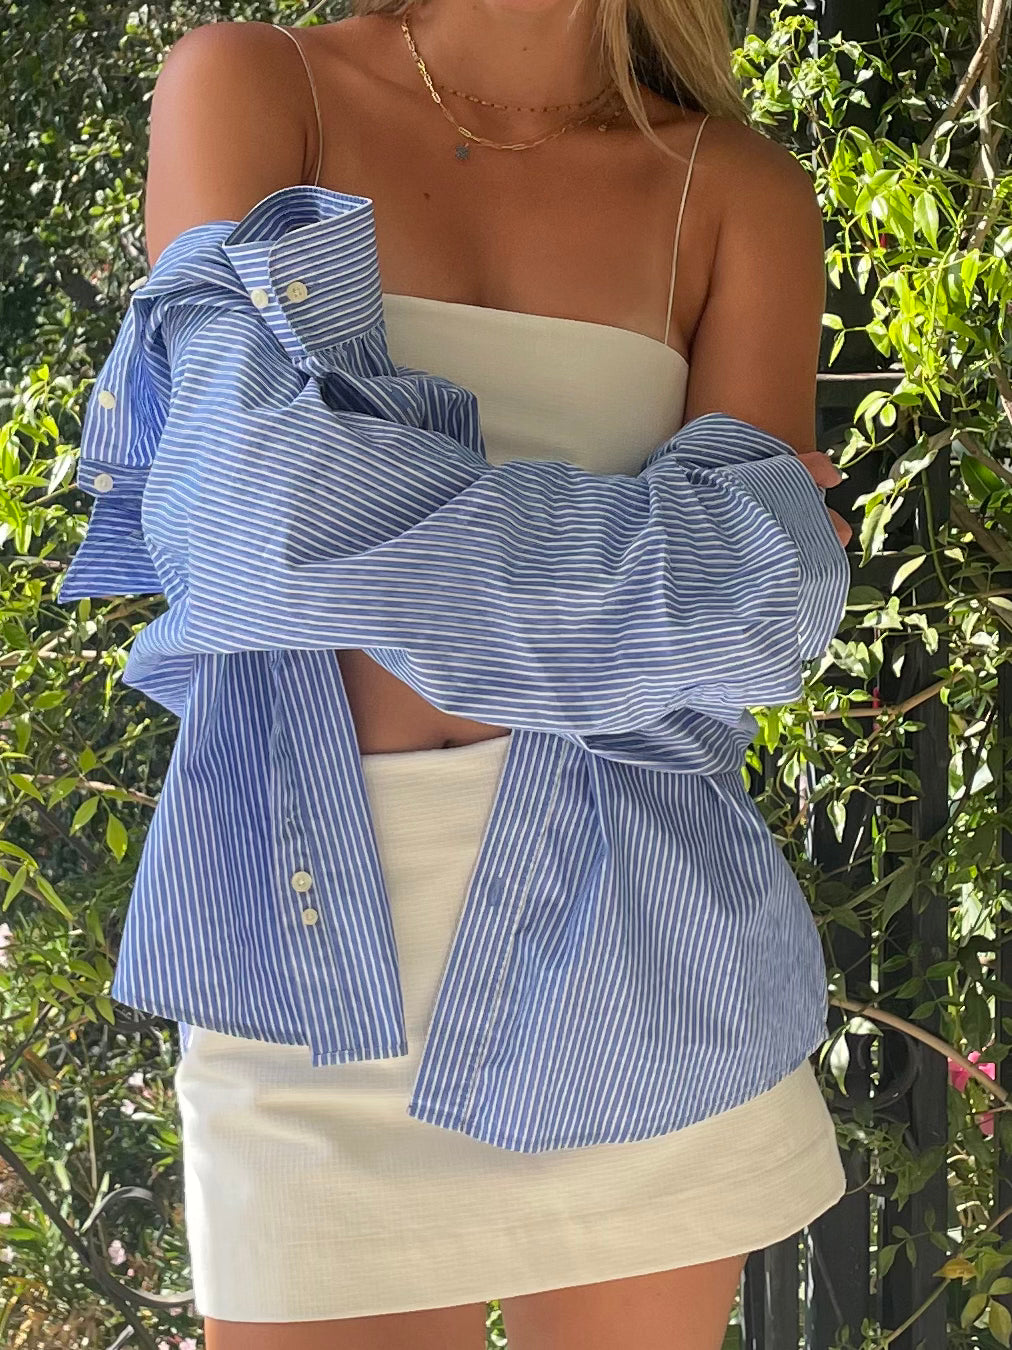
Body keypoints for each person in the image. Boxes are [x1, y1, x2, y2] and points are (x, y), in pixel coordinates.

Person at [86, 0, 854, 1345]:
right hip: (309, 967)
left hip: (650, 969)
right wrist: (679, 561)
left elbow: (770, 618)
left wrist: (362, 530)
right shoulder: (253, 89)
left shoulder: (737, 191)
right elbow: (245, 523)